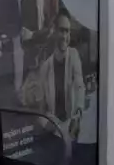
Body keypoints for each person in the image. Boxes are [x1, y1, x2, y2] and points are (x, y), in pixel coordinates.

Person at [37, 12, 86, 140]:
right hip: (53, 129)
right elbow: (41, 109)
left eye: (67, 31)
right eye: (61, 31)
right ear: (54, 32)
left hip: (71, 126)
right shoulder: (45, 68)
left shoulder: (74, 56)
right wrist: (50, 126)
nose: (65, 36)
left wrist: (77, 117)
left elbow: (80, 87)